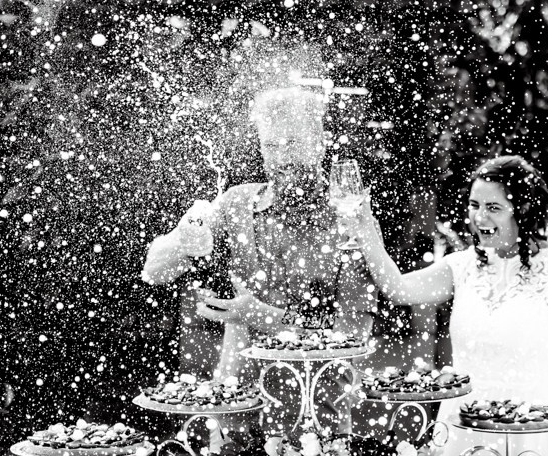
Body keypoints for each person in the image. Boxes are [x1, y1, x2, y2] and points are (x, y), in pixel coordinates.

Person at [345, 155, 548, 456]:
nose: (479, 217)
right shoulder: (459, 267)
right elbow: (397, 289)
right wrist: (365, 230)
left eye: (493, 207)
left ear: (523, 210)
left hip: (539, 432)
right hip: (463, 430)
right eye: (475, 205)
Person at [142, 86, 375, 433]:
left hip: (319, 415)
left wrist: (264, 317)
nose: (281, 159)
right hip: (235, 409)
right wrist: (182, 240)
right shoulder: (237, 203)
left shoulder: (350, 217)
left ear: (321, 142)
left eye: (293, 144)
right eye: (271, 146)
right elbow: (154, 272)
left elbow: (352, 337)